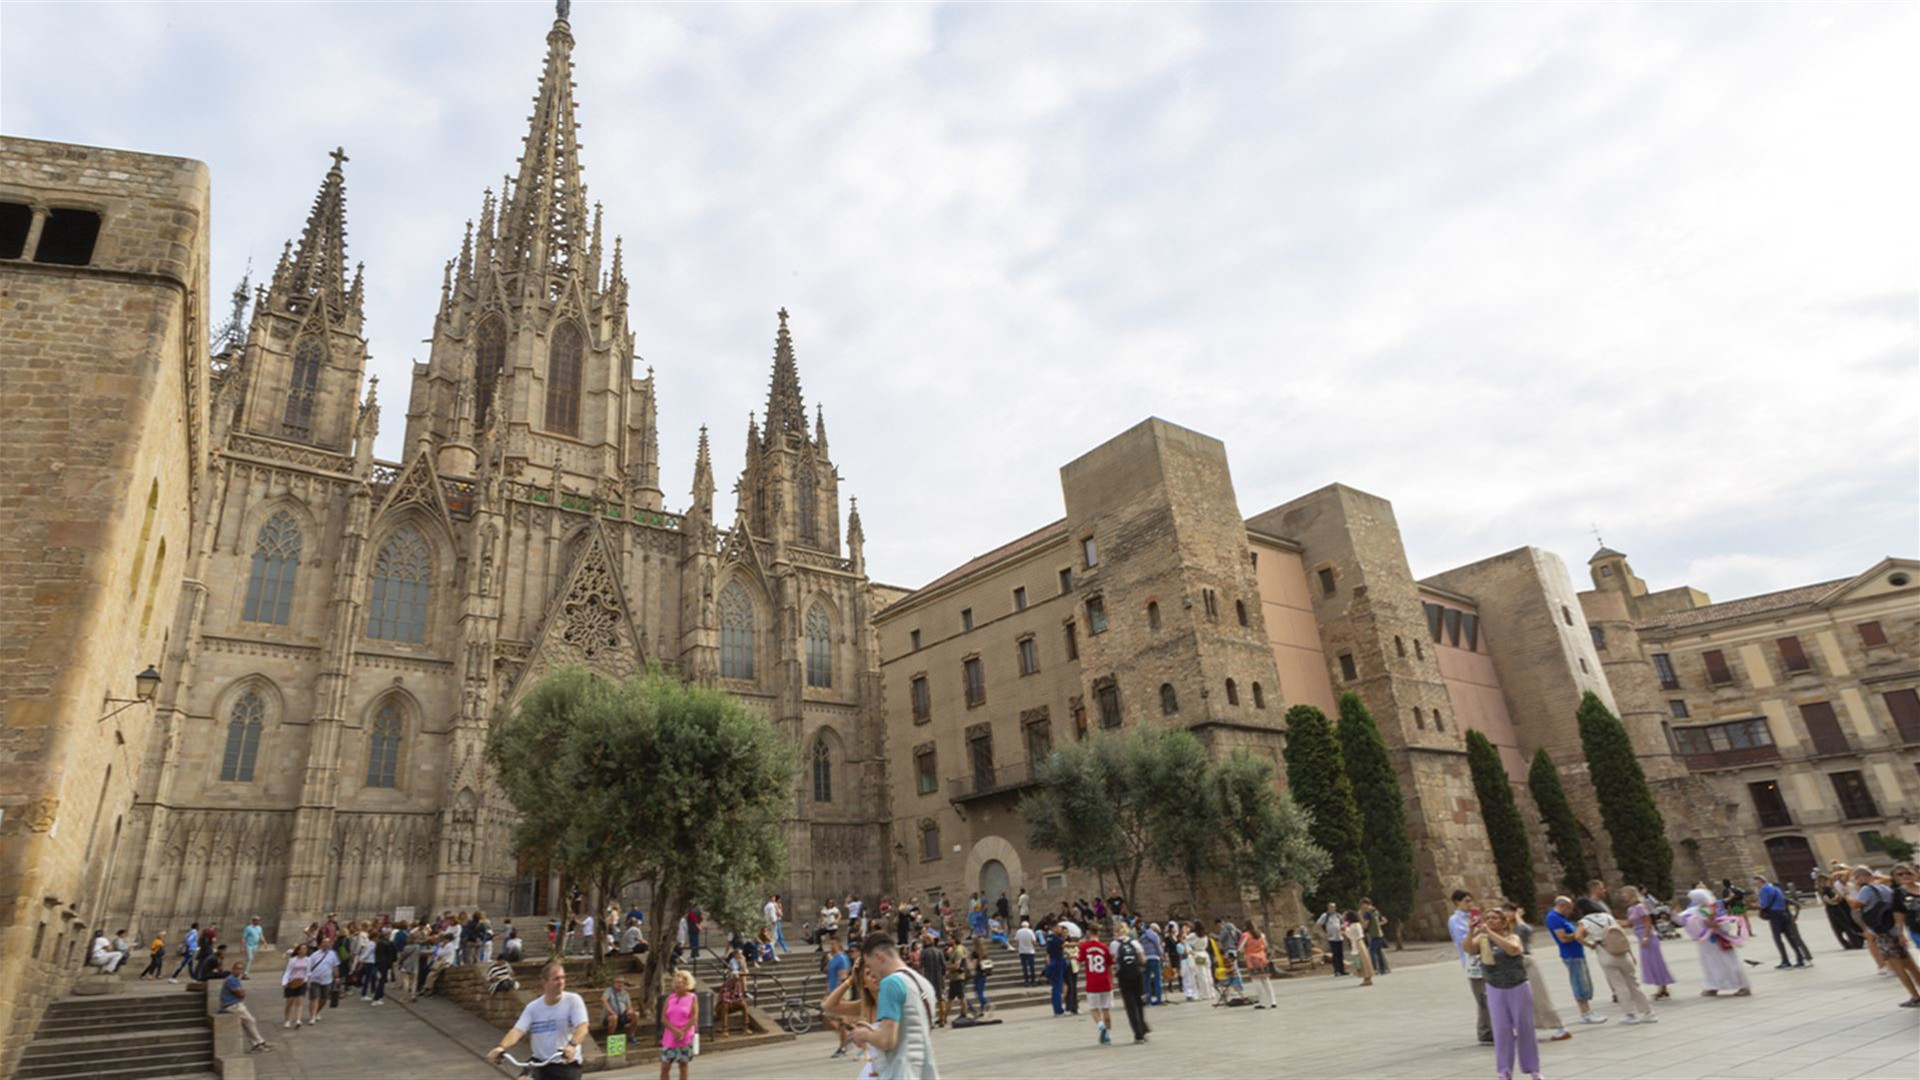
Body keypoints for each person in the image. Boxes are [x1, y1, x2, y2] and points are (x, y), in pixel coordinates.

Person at [849, 932, 939, 1080]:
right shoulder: (923, 983)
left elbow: (887, 1040)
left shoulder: (890, 983)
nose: (871, 973)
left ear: (879, 957)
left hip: (900, 1072)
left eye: (870, 966)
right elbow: (910, 1031)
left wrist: (863, 1034)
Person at [1472, 905, 1542, 1080]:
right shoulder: (1482, 939)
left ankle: (1532, 1068)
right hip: (1495, 987)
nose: (1490, 921)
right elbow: (1468, 949)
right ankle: (1504, 1070)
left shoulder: (1513, 937)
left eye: (1494, 918)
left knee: (1524, 1028)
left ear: (1504, 923)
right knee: (1501, 1031)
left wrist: (1490, 933)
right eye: (1487, 918)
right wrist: (1470, 931)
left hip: (1517, 986)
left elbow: (1513, 949)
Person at [489, 962, 590, 1080]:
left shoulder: (573, 1001)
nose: (561, 982)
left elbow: (582, 1027)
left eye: (563, 978)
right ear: (544, 982)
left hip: (564, 1063)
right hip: (539, 1062)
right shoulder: (533, 1007)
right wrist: (501, 1047)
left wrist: (572, 1045)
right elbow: (517, 1030)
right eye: (556, 979)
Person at [1850, 864, 1920, 1007]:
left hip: (1883, 931)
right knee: (1910, 964)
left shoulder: (1866, 889)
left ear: (1861, 878)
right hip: (1894, 928)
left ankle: (1915, 996)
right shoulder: (1886, 889)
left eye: (1856, 878)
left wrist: (1847, 896)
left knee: (1897, 965)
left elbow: (1856, 905)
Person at [1576, 897, 1655, 1024]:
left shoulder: (1584, 921)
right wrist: (1631, 954)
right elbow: (1621, 934)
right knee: (1634, 983)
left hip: (1604, 952)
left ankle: (1630, 1015)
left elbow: (1578, 936)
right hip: (1622, 952)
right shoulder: (1608, 917)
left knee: (1619, 985)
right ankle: (1648, 1012)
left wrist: (1589, 945)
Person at [1504, 902, 1572, 1042]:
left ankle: (1560, 1026)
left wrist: (1518, 916)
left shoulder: (1519, 928)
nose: (1504, 915)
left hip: (1526, 963)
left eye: (1506, 911)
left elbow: (1526, 931)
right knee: (1520, 1000)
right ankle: (1524, 1028)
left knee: (1539, 997)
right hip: (1512, 966)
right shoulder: (1506, 929)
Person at [1681, 887, 1753, 997]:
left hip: (1719, 940)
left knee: (1729, 963)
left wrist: (1716, 926)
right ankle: (1713, 986)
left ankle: (1743, 985)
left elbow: (1725, 924)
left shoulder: (1714, 909)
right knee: (1710, 965)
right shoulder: (1696, 910)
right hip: (1706, 943)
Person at [1546, 896, 1605, 1024]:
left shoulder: (1561, 918)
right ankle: (1584, 1013)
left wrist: (1584, 938)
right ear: (1562, 906)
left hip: (1577, 952)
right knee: (1579, 982)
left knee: (1584, 982)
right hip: (1571, 954)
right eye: (1569, 908)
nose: (1570, 911)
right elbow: (1563, 938)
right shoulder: (1554, 918)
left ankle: (1588, 1010)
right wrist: (1579, 934)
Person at [1448, 889, 1495, 1045]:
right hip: (1472, 961)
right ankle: (1486, 1031)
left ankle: (1488, 1029)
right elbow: (1463, 941)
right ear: (1457, 902)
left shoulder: (1472, 917)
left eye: (1471, 901)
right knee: (1482, 996)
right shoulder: (1455, 920)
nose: (1470, 904)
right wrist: (1476, 930)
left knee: (1488, 995)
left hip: (1484, 957)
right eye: (1466, 901)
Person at [1618, 886, 1674, 1000]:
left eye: (1624, 893)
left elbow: (1647, 923)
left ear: (1631, 894)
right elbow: (1629, 923)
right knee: (1650, 963)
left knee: (1655, 962)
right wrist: (1615, 922)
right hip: (1640, 937)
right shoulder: (1631, 909)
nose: (1622, 896)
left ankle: (1663, 987)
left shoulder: (1640, 907)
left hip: (1647, 937)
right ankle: (1661, 987)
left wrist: (1646, 937)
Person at [1755, 873, 1812, 969]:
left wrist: (1757, 905)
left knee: (1777, 938)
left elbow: (1764, 904)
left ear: (1760, 882)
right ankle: (1800, 958)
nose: (1756, 885)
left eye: (1756, 883)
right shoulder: (1776, 889)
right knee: (1790, 937)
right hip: (1784, 914)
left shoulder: (1764, 889)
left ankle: (1785, 961)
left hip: (1774, 915)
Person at [220, 961, 274, 1054]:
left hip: (235, 1004)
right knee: (250, 1020)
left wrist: (242, 992)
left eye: (241, 969)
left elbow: (241, 993)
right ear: (233, 969)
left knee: (248, 1022)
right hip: (232, 1005)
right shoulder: (231, 980)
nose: (239, 971)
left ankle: (258, 1042)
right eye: (237, 969)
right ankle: (258, 1043)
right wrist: (242, 992)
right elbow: (240, 994)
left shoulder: (234, 979)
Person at [1111, 921, 1150, 1043]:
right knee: (1139, 1003)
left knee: (1130, 1005)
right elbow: (1143, 959)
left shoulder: (1114, 944)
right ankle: (1142, 1028)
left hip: (1124, 976)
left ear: (1116, 932)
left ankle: (1138, 1034)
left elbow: (1112, 961)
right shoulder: (1134, 942)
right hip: (1137, 975)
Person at [1079, 922, 1116, 1043]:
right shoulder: (1104, 947)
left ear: (1088, 933)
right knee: (1106, 1009)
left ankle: (1101, 1026)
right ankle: (1108, 1035)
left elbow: (1079, 959)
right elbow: (1110, 965)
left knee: (1094, 1009)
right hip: (1105, 982)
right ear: (1098, 933)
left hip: (1092, 983)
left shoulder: (1085, 947)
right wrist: (1111, 980)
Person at [659, 969, 698, 1080]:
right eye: (675, 982)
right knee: (665, 1066)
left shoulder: (692, 997)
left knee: (683, 1066)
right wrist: (675, 1030)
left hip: (685, 1036)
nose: (677, 985)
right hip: (670, 1036)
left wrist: (682, 1031)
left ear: (686, 984)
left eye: (680, 983)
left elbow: (694, 1017)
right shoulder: (670, 997)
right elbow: (663, 1018)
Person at [1821, 868, 1865, 950]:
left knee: (1850, 925)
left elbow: (1848, 872)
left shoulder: (1837, 885)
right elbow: (1829, 900)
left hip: (1844, 907)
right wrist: (1837, 898)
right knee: (1842, 927)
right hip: (1836, 910)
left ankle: (1857, 941)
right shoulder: (1830, 888)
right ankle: (1851, 943)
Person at [1239, 924, 1277, 1008]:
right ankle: (1273, 1001)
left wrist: (1246, 950)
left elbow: (1240, 948)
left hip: (1251, 959)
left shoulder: (1245, 935)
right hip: (1262, 958)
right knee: (1266, 980)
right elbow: (1266, 945)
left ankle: (1262, 1002)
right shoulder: (1261, 934)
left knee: (1256, 980)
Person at [716, 944, 749, 1037]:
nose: (736, 979)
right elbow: (724, 998)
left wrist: (743, 961)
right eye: (735, 978)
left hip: (732, 1003)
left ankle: (745, 1027)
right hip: (722, 1006)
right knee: (725, 1005)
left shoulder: (737, 984)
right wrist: (734, 1002)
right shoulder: (726, 985)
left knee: (744, 1004)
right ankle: (724, 1029)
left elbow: (739, 996)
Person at [281, 944, 311, 1028]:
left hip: (301, 981)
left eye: (305, 949)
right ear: (298, 951)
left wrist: (308, 981)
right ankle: (287, 1020)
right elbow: (287, 971)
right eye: (302, 949)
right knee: (289, 1002)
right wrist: (284, 982)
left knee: (299, 1001)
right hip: (292, 982)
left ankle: (298, 1020)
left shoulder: (308, 959)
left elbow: (308, 971)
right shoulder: (292, 960)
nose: (304, 951)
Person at [1341, 912, 1373, 986]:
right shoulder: (1357, 924)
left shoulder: (1353, 926)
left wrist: (1344, 930)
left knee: (1361, 961)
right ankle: (1367, 978)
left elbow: (1350, 935)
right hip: (1360, 943)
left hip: (1357, 944)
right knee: (1363, 960)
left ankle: (1367, 978)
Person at [1042, 923, 1068, 1015]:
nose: (1060, 929)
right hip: (1057, 962)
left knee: (1055, 987)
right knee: (1057, 987)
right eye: (1059, 927)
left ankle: (1057, 1008)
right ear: (1054, 928)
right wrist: (1078, 943)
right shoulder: (1056, 938)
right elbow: (1064, 945)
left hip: (1053, 962)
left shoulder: (1050, 938)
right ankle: (1058, 1010)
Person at [1360, 898, 1390, 975]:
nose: (1362, 906)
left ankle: (1375, 968)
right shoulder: (1375, 911)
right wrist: (1378, 925)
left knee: (1372, 952)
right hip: (1380, 934)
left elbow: (1366, 924)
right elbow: (1384, 920)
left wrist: (1361, 922)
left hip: (1373, 934)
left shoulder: (1368, 913)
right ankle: (1383, 969)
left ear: (1365, 904)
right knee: (1379, 952)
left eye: (1362, 904)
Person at [1316, 902, 1345, 976]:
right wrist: (1325, 933)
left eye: (1334, 907)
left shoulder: (1338, 915)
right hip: (1332, 938)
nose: (1333, 908)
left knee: (1340, 954)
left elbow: (1343, 923)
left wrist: (1343, 930)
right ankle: (1337, 970)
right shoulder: (1325, 916)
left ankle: (1342, 970)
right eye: (1331, 907)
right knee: (1335, 954)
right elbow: (1319, 924)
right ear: (1328, 908)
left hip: (1339, 937)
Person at [1140, 921, 1165, 1005]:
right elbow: (1158, 947)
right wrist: (1161, 955)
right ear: (1155, 930)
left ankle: (1148, 1000)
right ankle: (1158, 999)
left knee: (1147, 980)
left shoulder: (1142, 936)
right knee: (1157, 979)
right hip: (1154, 958)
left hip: (1146, 959)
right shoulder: (1155, 936)